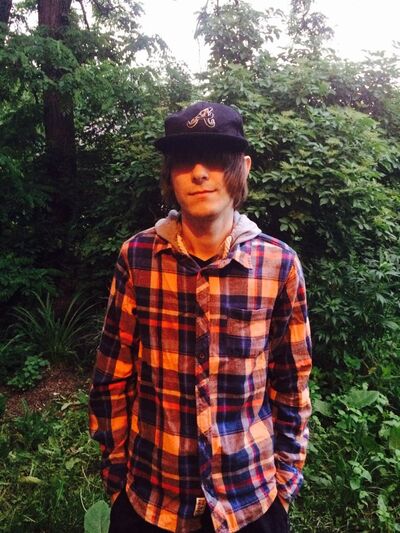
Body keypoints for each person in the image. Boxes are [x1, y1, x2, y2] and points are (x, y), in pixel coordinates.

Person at [89, 101, 312, 533]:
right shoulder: (137, 258)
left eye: (214, 158)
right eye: (184, 160)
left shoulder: (279, 264)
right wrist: (117, 480)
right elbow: (112, 376)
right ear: (169, 176)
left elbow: (292, 382)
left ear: (242, 168)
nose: (198, 172)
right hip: (150, 499)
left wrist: (284, 485)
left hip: (251, 501)